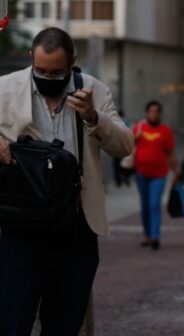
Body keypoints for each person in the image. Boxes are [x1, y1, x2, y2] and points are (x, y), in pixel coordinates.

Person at [0, 28, 134, 335]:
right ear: (30, 59)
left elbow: (125, 146)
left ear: (73, 61)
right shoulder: (4, 89)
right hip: (21, 227)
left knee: (65, 324)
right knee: (12, 321)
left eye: (57, 72)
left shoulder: (94, 90)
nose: (48, 77)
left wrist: (93, 117)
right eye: (41, 70)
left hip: (76, 227)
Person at [134, 101, 177, 250]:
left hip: (159, 175)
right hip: (141, 173)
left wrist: (176, 171)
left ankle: (155, 237)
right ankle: (146, 235)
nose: (154, 114)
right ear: (147, 113)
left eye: (157, 111)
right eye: (151, 111)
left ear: (160, 114)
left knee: (154, 205)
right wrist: (135, 137)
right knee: (145, 206)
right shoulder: (139, 128)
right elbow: (126, 146)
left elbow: (170, 153)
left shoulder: (165, 131)